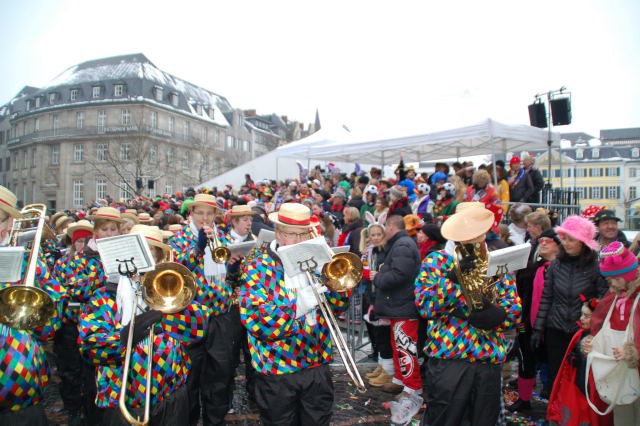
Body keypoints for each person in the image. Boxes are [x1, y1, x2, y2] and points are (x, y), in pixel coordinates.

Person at [79, 224, 210, 425]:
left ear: (158, 259)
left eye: (149, 252)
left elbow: (198, 328)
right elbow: (91, 348)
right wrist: (128, 335)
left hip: (171, 396)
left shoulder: (170, 291)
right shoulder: (104, 297)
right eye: (135, 252)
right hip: (120, 400)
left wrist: (166, 316)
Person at [238, 203, 349, 425]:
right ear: (278, 233)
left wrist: (332, 282)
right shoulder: (258, 266)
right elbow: (259, 322)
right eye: (291, 234)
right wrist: (303, 302)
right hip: (276, 368)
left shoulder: (318, 259)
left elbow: (338, 306)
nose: (298, 241)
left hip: (316, 363)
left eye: (303, 234)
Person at [415, 206, 522, 425]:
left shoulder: (494, 262)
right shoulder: (436, 261)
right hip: (450, 360)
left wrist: (498, 315)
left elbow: (514, 311)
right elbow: (425, 306)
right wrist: (452, 281)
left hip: (487, 360)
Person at [169, 193, 239, 426]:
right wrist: (197, 248)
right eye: (200, 213)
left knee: (219, 376)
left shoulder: (224, 238)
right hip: (190, 316)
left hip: (220, 315)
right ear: (191, 214)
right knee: (189, 378)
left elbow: (228, 278)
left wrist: (234, 271)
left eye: (210, 214)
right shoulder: (178, 239)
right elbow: (176, 273)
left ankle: (214, 421)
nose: (205, 218)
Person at [0, 186, 65, 426]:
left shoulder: (31, 263)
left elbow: (51, 325)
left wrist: (29, 312)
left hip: (19, 386)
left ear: (8, 225)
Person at [532, 215, 608, 395]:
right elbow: (547, 298)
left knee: (579, 379)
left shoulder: (596, 267)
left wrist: (592, 319)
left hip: (582, 331)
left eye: (571, 239)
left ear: (583, 242)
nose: (565, 243)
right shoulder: (556, 265)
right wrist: (538, 329)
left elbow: (603, 299)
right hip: (556, 329)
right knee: (556, 377)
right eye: (564, 238)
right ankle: (556, 415)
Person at [586, 241, 640, 424]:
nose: (614, 284)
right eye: (610, 280)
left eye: (617, 279)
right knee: (622, 415)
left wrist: (633, 351)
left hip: (634, 365)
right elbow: (600, 321)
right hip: (620, 371)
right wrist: (593, 341)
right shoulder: (616, 295)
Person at [372, 215, 423, 402]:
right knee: (399, 346)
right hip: (399, 305)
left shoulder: (402, 245)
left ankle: (412, 388)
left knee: (405, 349)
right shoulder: (401, 244)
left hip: (403, 305)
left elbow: (400, 275)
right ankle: (400, 380)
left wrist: (377, 278)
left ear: (391, 226)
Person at [52, 219, 94, 425]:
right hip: (67, 324)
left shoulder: (94, 261)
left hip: (88, 323)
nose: (83, 245)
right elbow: (57, 291)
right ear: (73, 243)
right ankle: (72, 408)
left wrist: (74, 290)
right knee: (69, 369)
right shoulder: (62, 263)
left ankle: (87, 407)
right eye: (80, 242)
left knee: (88, 370)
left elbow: (87, 290)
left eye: (87, 241)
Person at [546, 296, 613, 426]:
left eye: (587, 316)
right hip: (576, 389)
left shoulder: (603, 339)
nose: (581, 318)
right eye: (581, 314)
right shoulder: (580, 335)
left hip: (591, 393)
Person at [359, 213, 393, 385]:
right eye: (373, 235)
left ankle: (388, 370)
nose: (376, 238)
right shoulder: (370, 251)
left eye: (379, 234)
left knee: (385, 335)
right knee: (377, 335)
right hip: (373, 296)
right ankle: (382, 366)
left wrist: (375, 275)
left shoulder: (386, 251)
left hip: (383, 298)